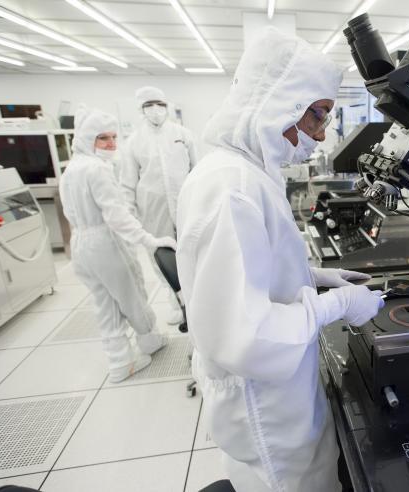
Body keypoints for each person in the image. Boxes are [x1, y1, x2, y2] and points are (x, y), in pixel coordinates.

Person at [176, 28, 384, 491]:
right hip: (268, 416)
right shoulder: (232, 187)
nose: (322, 134)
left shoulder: (244, 172)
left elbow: (249, 274)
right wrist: (339, 305)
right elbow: (249, 336)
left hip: (280, 400)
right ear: (282, 102)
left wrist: (317, 275)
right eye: (317, 116)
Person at [59, 106, 175, 383]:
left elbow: (70, 213)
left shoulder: (70, 170)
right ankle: (149, 341)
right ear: (87, 140)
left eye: (113, 137)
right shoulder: (97, 170)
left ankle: (120, 362)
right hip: (104, 242)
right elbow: (116, 216)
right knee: (132, 294)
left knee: (104, 302)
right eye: (103, 138)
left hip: (81, 244)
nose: (111, 143)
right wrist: (149, 239)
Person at [120, 86, 197, 325]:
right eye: (149, 106)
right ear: (141, 110)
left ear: (167, 106)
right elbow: (127, 184)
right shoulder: (133, 143)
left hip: (186, 205)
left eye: (160, 105)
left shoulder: (183, 134)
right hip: (153, 210)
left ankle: (195, 297)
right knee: (161, 256)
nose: (155, 110)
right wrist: (130, 216)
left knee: (192, 250)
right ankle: (175, 300)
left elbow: (197, 170)